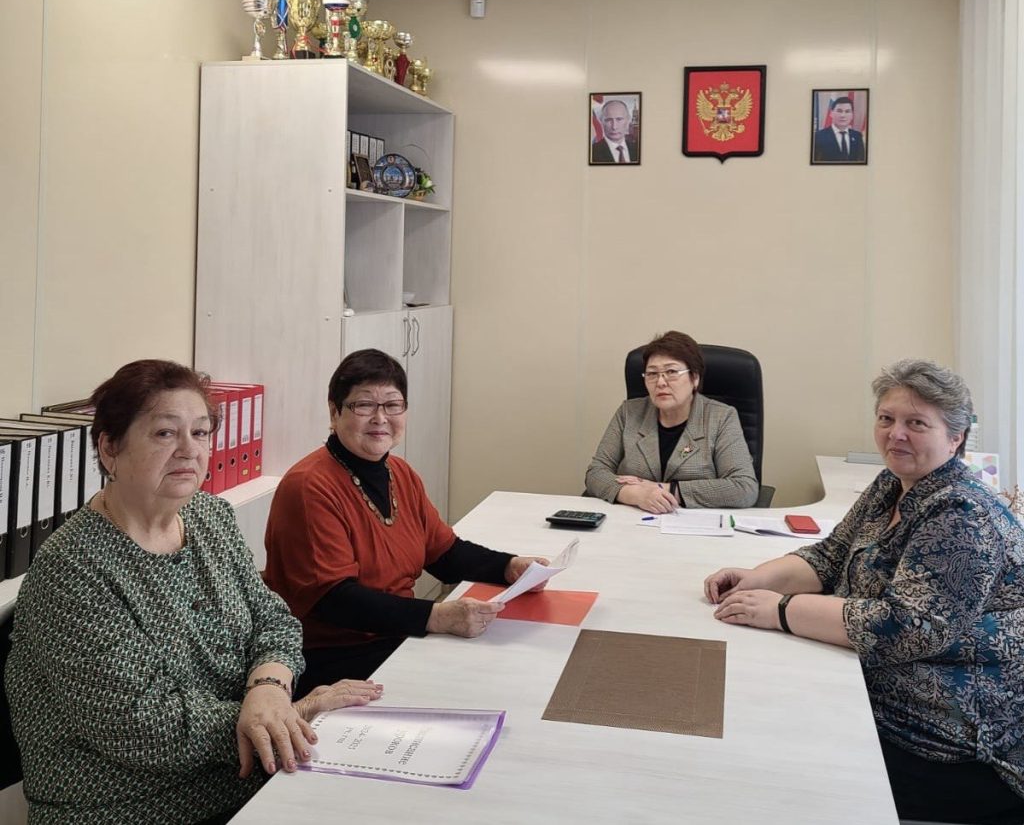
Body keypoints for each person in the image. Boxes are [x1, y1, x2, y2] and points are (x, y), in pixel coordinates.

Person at [5, 360, 382, 825]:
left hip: (251, 779)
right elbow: (145, 728)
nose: (189, 450)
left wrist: (268, 689)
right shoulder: (72, 568)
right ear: (109, 448)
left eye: (200, 433)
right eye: (165, 433)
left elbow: (274, 621)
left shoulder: (209, 516)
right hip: (127, 810)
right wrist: (295, 710)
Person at [704, 360, 1024, 825]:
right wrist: (758, 578)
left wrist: (781, 610)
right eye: (886, 418)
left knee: (767, 757)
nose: (896, 434)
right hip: (878, 688)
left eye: (917, 423)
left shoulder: (962, 513)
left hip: (950, 739)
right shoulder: (894, 482)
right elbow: (832, 555)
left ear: (955, 438)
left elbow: (905, 626)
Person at [263, 349, 548, 697]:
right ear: (334, 412)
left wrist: (510, 566)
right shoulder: (309, 486)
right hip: (335, 657)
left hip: (395, 636)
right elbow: (335, 600)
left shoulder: (399, 472)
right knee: (481, 683)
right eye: (364, 405)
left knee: (516, 665)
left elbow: (445, 554)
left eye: (392, 405)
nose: (380, 418)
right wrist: (438, 616)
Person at [585, 331, 758, 512]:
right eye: (652, 373)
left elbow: (744, 487)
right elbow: (596, 473)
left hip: (694, 524)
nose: (660, 382)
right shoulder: (629, 412)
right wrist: (637, 494)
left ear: (695, 378)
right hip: (634, 519)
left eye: (671, 372)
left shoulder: (721, 417)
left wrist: (666, 490)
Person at [812, 95, 866, 162]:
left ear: (852, 115)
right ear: (831, 113)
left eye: (847, 111)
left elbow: (861, 161)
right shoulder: (818, 136)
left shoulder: (857, 136)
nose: (843, 115)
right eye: (839, 111)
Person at [591, 98, 639, 164]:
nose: (614, 127)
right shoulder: (592, 152)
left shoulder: (638, 149)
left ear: (628, 120)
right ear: (601, 121)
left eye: (619, 119)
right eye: (608, 120)